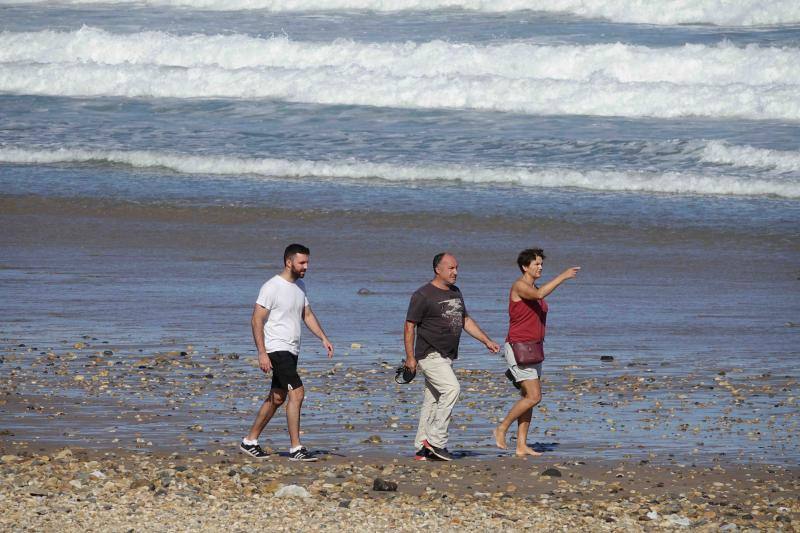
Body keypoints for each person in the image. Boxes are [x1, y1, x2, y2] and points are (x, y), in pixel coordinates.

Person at [240, 243, 334, 461]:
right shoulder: (271, 286)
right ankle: (296, 448)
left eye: (307, 262)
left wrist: (323, 338)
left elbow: (307, 314)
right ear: (288, 262)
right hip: (276, 348)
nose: (306, 266)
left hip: (292, 349)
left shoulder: (300, 286)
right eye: (302, 262)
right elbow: (256, 319)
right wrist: (262, 353)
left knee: (278, 397)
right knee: (297, 392)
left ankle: (250, 441)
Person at [405, 252, 500, 461]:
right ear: (438, 269)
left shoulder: (455, 292)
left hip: (447, 356)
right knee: (451, 389)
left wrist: (486, 340)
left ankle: (422, 446)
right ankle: (436, 442)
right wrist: (410, 358)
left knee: (433, 400)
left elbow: (465, 320)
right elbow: (410, 326)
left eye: (457, 267)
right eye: (451, 268)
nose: (455, 272)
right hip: (429, 354)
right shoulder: (422, 295)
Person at [493, 248, 579, 456]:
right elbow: (539, 294)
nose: (540, 267)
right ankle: (501, 427)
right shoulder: (520, 286)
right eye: (536, 264)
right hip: (519, 347)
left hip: (534, 348)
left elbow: (539, 296)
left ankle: (521, 445)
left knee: (527, 397)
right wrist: (563, 276)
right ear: (525, 267)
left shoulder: (534, 286)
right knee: (534, 396)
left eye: (541, 264)